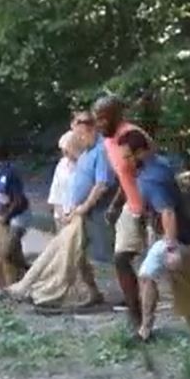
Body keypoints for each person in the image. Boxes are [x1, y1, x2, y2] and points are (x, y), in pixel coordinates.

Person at [118, 130, 190, 340]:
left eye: (127, 156)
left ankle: (145, 331)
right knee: (188, 279)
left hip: (173, 235)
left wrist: (170, 247)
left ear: (140, 153)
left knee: (146, 276)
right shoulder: (158, 164)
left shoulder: (152, 178)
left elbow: (167, 212)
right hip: (176, 233)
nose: (124, 161)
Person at [93, 95, 155, 329]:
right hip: (131, 206)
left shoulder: (134, 136)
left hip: (151, 206)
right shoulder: (107, 141)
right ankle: (135, 315)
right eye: (96, 119)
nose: (99, 124)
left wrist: (153, 210)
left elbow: (152, 171)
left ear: (117, 116)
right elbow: (124, 176)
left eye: (103, 119)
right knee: (121, 259)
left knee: (170, 266)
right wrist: (116, 204)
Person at [66, 111, 116, 265]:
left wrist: (85, 206)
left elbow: (101, 184)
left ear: (93, 130)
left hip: (97, 211)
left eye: (81, 135)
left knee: (103, 258)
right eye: (77, 135)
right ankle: (90, 287)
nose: (79, 139)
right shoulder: (87, 151)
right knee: (76, 255)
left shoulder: (101, 150)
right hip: (81, 212)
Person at [0, 139, 32, 282]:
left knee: (6, 250)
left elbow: (18, 200)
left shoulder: (11, 171)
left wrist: (7, 216)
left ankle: (29, 271)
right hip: (1, 215)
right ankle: (19, 278)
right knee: (13, 251)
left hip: (19, 215)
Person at [47, 130, 83, 232]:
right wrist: (60, 213)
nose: (65, 153)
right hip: (61, 213)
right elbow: (55, 189)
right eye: (63, 150)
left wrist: (73, 214)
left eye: (67, 149)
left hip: (77, 214)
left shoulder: (84, 164)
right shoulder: (62, 164)